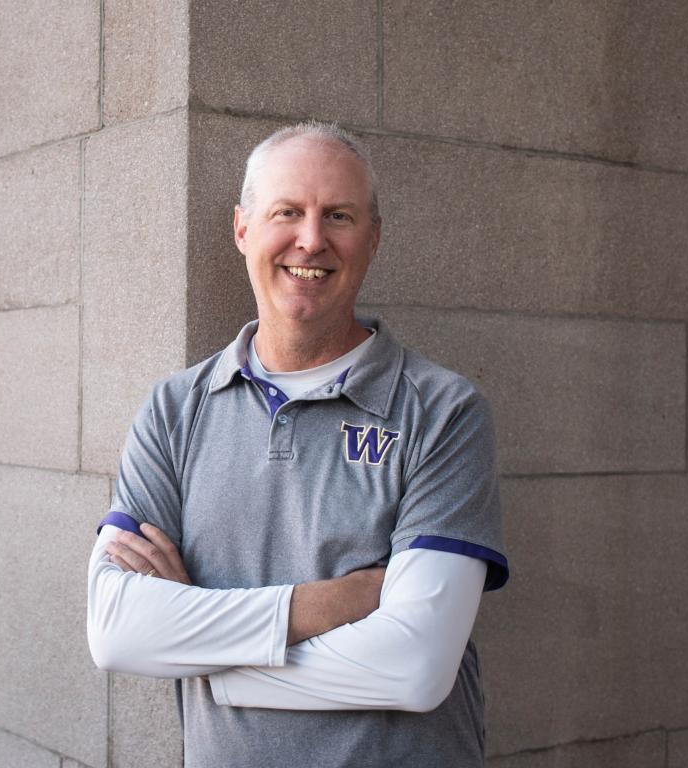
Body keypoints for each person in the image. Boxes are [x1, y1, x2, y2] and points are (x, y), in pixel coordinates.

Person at [87, 121, 509, 768]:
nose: (311, 239)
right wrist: (323, 605)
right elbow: (117, 630)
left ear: (372, 238)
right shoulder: (173, 410)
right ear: (242, 230)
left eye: (338, 215)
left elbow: (413, 668)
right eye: (288, 211)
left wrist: (205, 655)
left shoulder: (443, 412)